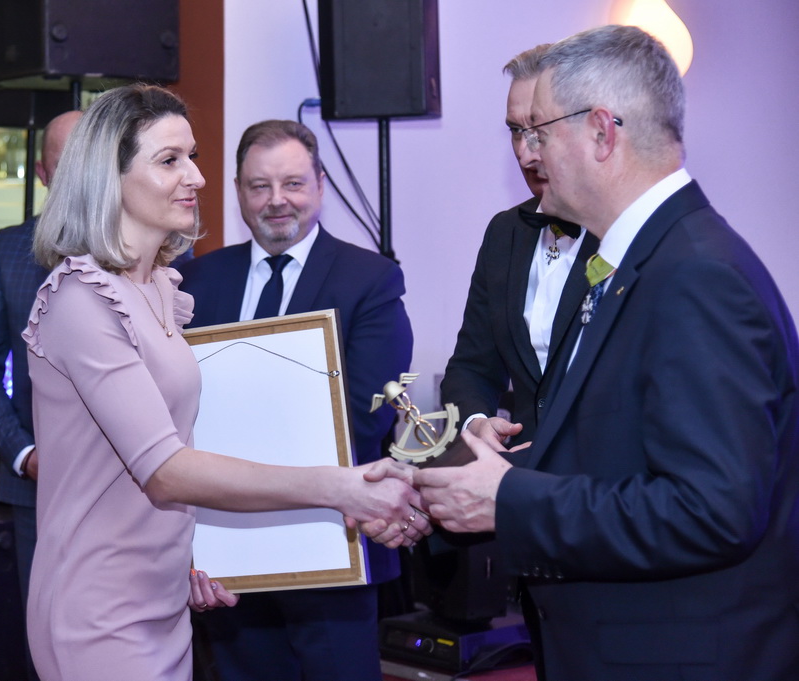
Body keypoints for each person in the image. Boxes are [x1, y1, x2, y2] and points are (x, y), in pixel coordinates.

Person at [390, 25, 799, 681]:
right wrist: (454, 486)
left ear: (603, 133)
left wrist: (509, 499)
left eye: (539, 131)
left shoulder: (695, 275)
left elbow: (714, 511)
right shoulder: (648, 259)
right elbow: (612, 451)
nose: (527, 153)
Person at [21, 85, 428, 681]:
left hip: (164, 596)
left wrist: (196, 553)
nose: (196, 176)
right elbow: (165, 467)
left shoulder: (160, 290)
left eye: (192, 156)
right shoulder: (83, 298)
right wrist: (341, 488)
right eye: (170, 160)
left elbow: (184, 439)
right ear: (109, 176)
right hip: (103, 600)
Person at [178, 119, 414, 681]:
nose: (277, 200)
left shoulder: (372, 279)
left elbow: (363, 417)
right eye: (259, 186)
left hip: (332, 541)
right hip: (227, 548)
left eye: (293, 183)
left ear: (321, 185)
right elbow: (179, 412)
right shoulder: (196, 281)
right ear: (238, 191)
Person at [0, 108, 82, 681]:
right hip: (38, 491)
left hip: (137, 489)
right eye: (64, 163)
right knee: (48, 650)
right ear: (42, 173)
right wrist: (24, 454)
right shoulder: (11, 249)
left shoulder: (152, 246)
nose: (78, 174)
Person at [439, 44, 599, 450]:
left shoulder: (623, 234)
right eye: (515, 131)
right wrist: (476, 423)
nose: (526, 154)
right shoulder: (505, 233)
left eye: (539, 130)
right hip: (520, 474)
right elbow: (471, 367)